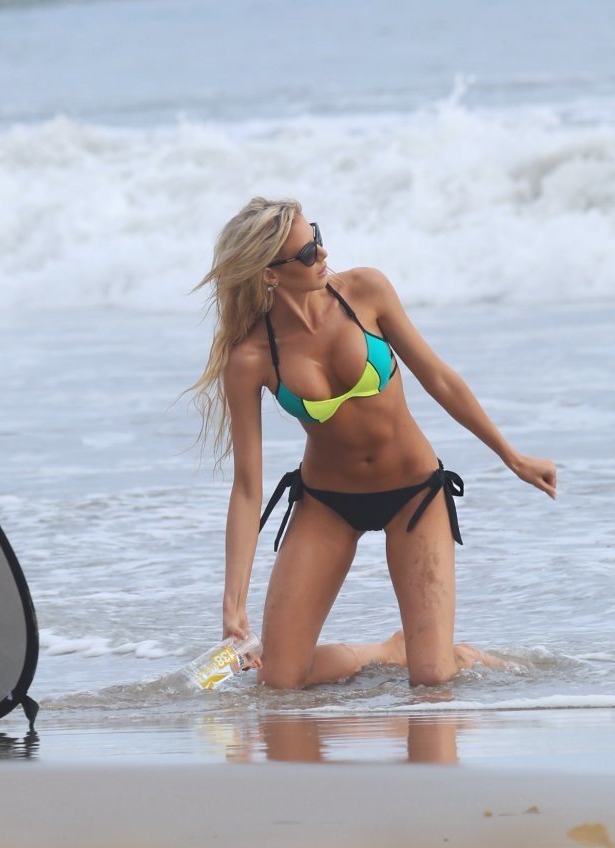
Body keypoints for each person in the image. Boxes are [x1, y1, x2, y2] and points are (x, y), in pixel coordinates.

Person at [188, 197, 556, 689]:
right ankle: (386, 651)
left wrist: (511, 456)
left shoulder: (365, 291)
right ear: (270, 274)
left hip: (414, 493)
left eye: (317, 238)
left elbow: (439, 378)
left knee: (433, 678)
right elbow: (247, 489)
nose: (322, 254)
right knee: (278, 681)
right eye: (306, 253)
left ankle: (443, 654)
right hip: (326, 504)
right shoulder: (252, 356)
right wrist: (233, 604)